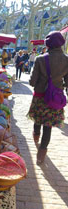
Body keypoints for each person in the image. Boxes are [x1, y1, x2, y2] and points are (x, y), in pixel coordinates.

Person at [27, 31, 68, 164]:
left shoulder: (40, 59)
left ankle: (35, 136)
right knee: (48, 126)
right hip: (55, 98)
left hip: (40, 96)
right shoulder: (67, 60)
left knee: (38, 119)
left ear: (48, 44)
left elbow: (32, 82)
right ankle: (42, 153)